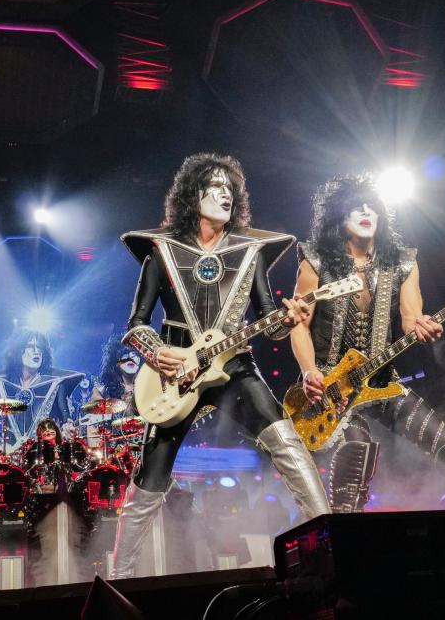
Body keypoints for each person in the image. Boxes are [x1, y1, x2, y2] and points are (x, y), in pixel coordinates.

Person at [288, 174, 445, 572]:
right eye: (356, 206)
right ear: (339, 215)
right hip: (332, 393)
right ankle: (337, 566)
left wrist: (425, 325)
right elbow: (299, 324)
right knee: (356, 452)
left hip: (383, 385)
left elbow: (410, 320)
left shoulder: (403, 260)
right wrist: (308, 372)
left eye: (372, 205)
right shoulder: (316, 258)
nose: (365, 211)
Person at [111, 152, 331, 579]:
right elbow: (135, 325)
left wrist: (289, 320)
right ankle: (117, 582)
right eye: (215, 187)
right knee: (150, 475)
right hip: (174, 375)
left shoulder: (252, 253)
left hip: (235, 369)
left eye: (230, 189)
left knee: (287, 441)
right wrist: (159, 354)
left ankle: (331, 543)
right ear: (194, 195)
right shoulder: (162, 251)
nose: (224, 194)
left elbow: (271, 325)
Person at [0, 329, 83, 451]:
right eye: (30, 346)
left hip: (44, 453)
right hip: (10, 455)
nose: (36, 351)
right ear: (18, 351)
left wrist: (68, 428)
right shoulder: (2, 383)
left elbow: (66, 418)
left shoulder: (56, 383)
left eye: (40, 347)